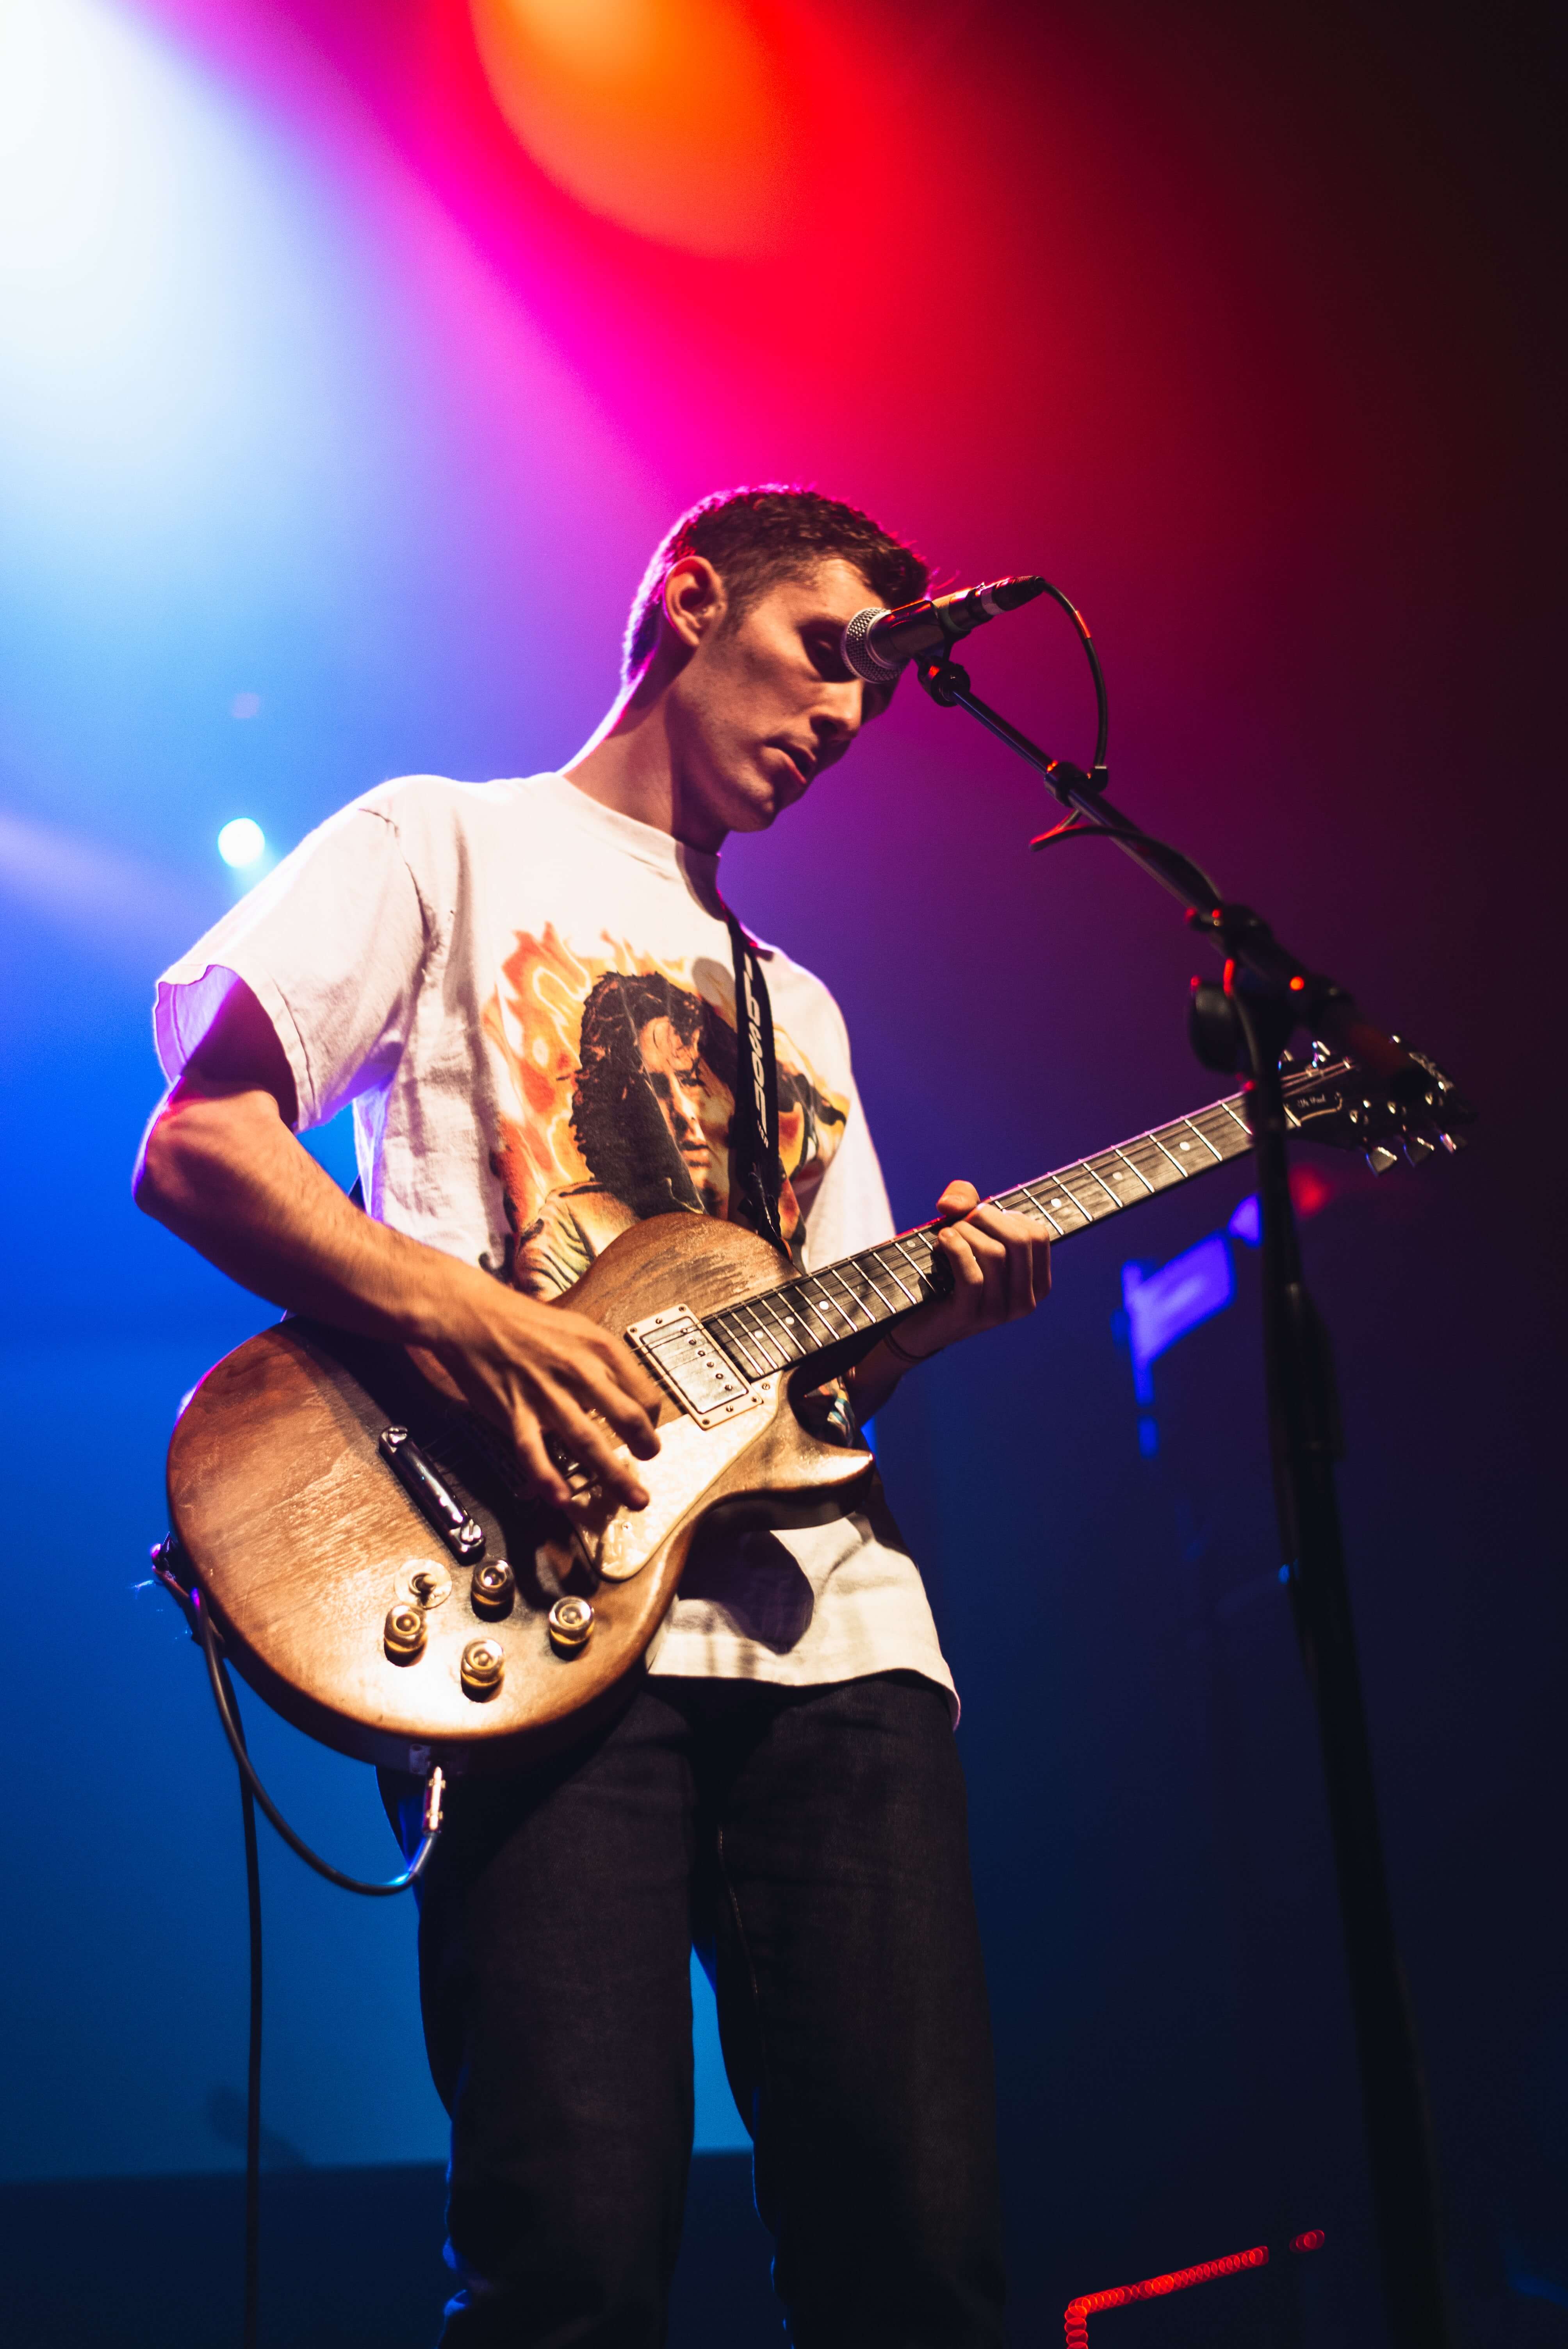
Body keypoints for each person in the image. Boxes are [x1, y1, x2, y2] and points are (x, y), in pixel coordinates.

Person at [134, 486, 1052, 2347]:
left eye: (872, 696)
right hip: (533, 1622)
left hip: (831, 1648)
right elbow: (201, 1145)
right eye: (822, 653)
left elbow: (820, 1381)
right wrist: (481, 1320)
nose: (840, 717)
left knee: (920, 2263)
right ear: (690, 600)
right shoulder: (440, 840)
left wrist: (937, 1314)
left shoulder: (797, 1004)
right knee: (569, 2262)